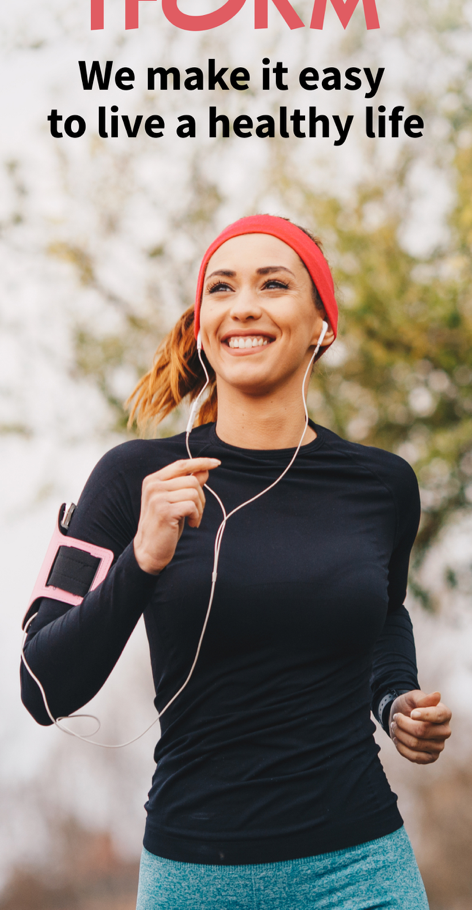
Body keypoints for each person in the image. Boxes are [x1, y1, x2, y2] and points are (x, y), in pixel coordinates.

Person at [21, 215, 452, 910]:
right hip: (196, 880)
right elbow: (42, 688)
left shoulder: (382, 484)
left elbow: (383, 613)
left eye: (273, 284)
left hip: (363, 871)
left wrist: (395, 697)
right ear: (204, 326)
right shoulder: (132, 478)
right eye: (221, 288)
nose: (243, 305)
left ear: (322, 326)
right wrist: (142, 559)